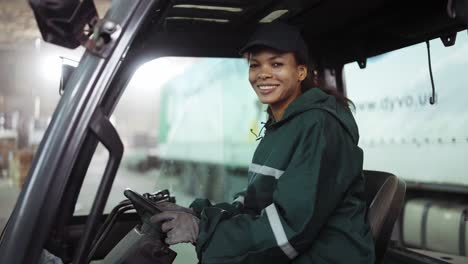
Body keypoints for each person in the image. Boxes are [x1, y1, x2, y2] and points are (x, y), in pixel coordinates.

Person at [152, 22, 375, 264]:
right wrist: (200, 216)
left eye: (277, 64)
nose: (263, 74)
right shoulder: (280, 126)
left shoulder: (318, 126)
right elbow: (254, 203)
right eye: (255, 65)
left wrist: (202, 232)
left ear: (301, 72)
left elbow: (291, 227)